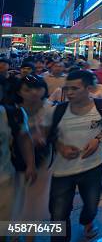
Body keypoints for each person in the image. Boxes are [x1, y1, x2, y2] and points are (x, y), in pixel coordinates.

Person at [43, 70, 102, 241]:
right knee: (58, 214)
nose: (69, 93)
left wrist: (98, 138)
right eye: (67, 89)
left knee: (91, 206)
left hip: (93, 167)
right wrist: (60, 146)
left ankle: (87, 221)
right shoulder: (57, 111)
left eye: (75, 89)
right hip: (62, 172)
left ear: (89, 88)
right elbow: (46, 134)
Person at [11, 75, 53, 225]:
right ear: (19, 92)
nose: (34, 93)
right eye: (28, 89)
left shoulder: (50, 108)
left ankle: (29, 234)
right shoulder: (12, 111)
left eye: (38, 88)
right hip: (13, 160)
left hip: (42, 160)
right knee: (14, 196)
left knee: (35, 198)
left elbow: (53, 133)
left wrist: (43, 137)